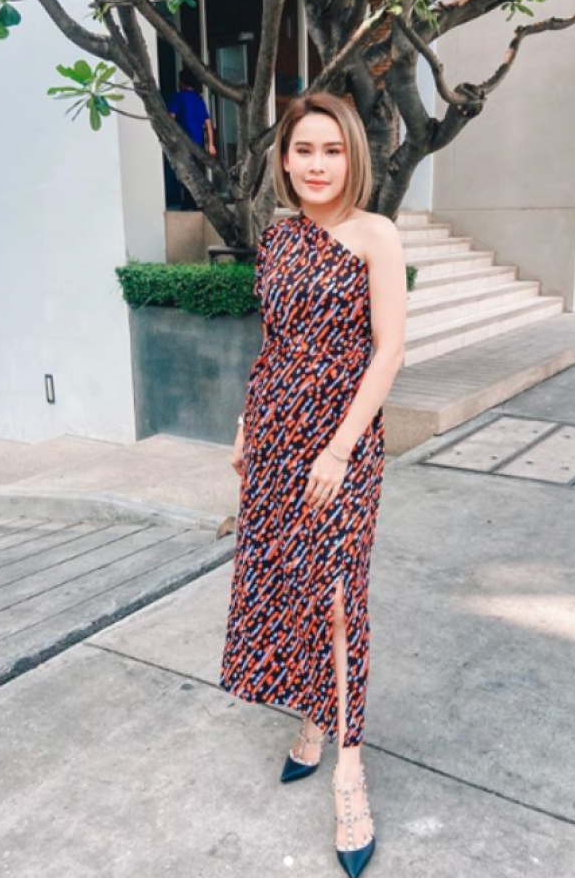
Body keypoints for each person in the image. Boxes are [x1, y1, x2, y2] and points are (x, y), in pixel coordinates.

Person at [219, 92, 407, 877]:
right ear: (285, 159)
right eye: (304, 150)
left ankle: (349, 771)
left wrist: (336, 450)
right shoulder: (278, 237)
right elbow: (273, 344)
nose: (318, 164)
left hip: (343, 444)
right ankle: (310, 718)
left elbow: (388, 350)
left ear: (352, 155)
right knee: (289, 585)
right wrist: (245, 422)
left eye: (332, 150)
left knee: (336, 597)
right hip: (274, 436)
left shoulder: (376, 234)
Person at [166, 68, 216, 209]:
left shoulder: (178, 97)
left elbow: (171, 118)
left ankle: (188, 201)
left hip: (183, 142)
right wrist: (211, 144)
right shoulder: (199, 100)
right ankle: (195, 201)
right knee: (195, 172)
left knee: (184, 172)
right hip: (197, 143)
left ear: (181, 82)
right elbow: (207, 123)